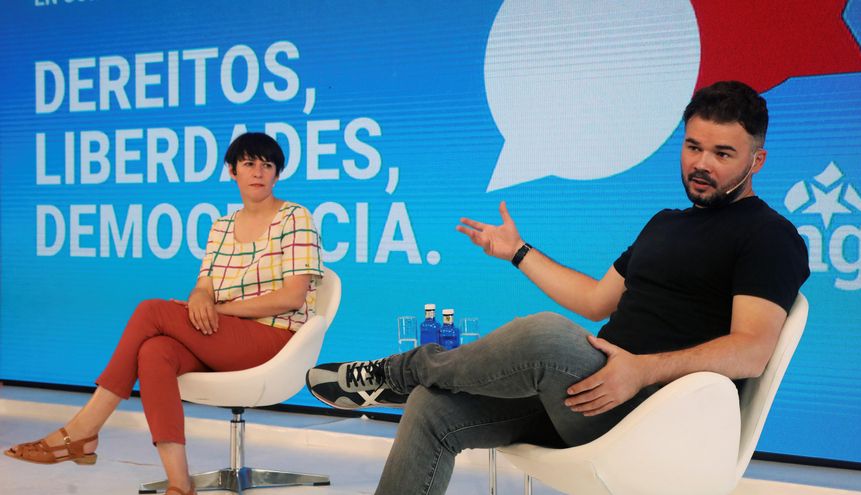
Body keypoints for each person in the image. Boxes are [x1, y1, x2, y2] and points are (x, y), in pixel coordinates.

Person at [305, 81, 810, 494]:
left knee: (547, 335)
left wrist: (641, 371)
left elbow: (752, 351)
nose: (702, 163)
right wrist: (518, 253)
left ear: (756, 161)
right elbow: (595, 300)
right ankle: (409, 384)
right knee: (432, 408)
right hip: (589, 393)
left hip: (658, 414)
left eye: (723, 153)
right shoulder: (665, 223)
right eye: (693, 146)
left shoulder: (769, 236)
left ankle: (399, 371)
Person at [5, 132, 323, 495]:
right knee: (153, 352)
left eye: (268, 166)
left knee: (151, 310)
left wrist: (218, 309)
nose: (258, 172)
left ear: (276, 174)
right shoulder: (222, 225)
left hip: (272, 339)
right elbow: (205, 284)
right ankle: (179, 484)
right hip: (224, 334)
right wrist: (200, 297)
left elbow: (292, 297)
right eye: (249, 163)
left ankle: (83, 430)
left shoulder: (295, 217)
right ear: (232, 171)